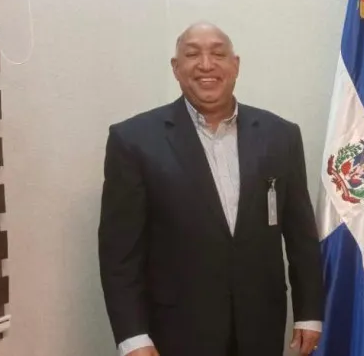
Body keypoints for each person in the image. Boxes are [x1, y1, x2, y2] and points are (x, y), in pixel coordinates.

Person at [98, 22, 324, 356]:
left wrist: (309, 312)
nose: (206, 64)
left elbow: (301, 234)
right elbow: (119, 254)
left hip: (260, 327)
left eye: (218, 54)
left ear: (235, 65)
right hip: (175, 332)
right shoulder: (133, 141)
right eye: (192, 54)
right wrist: (133, 338)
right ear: (176, 68)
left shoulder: (281, 136)